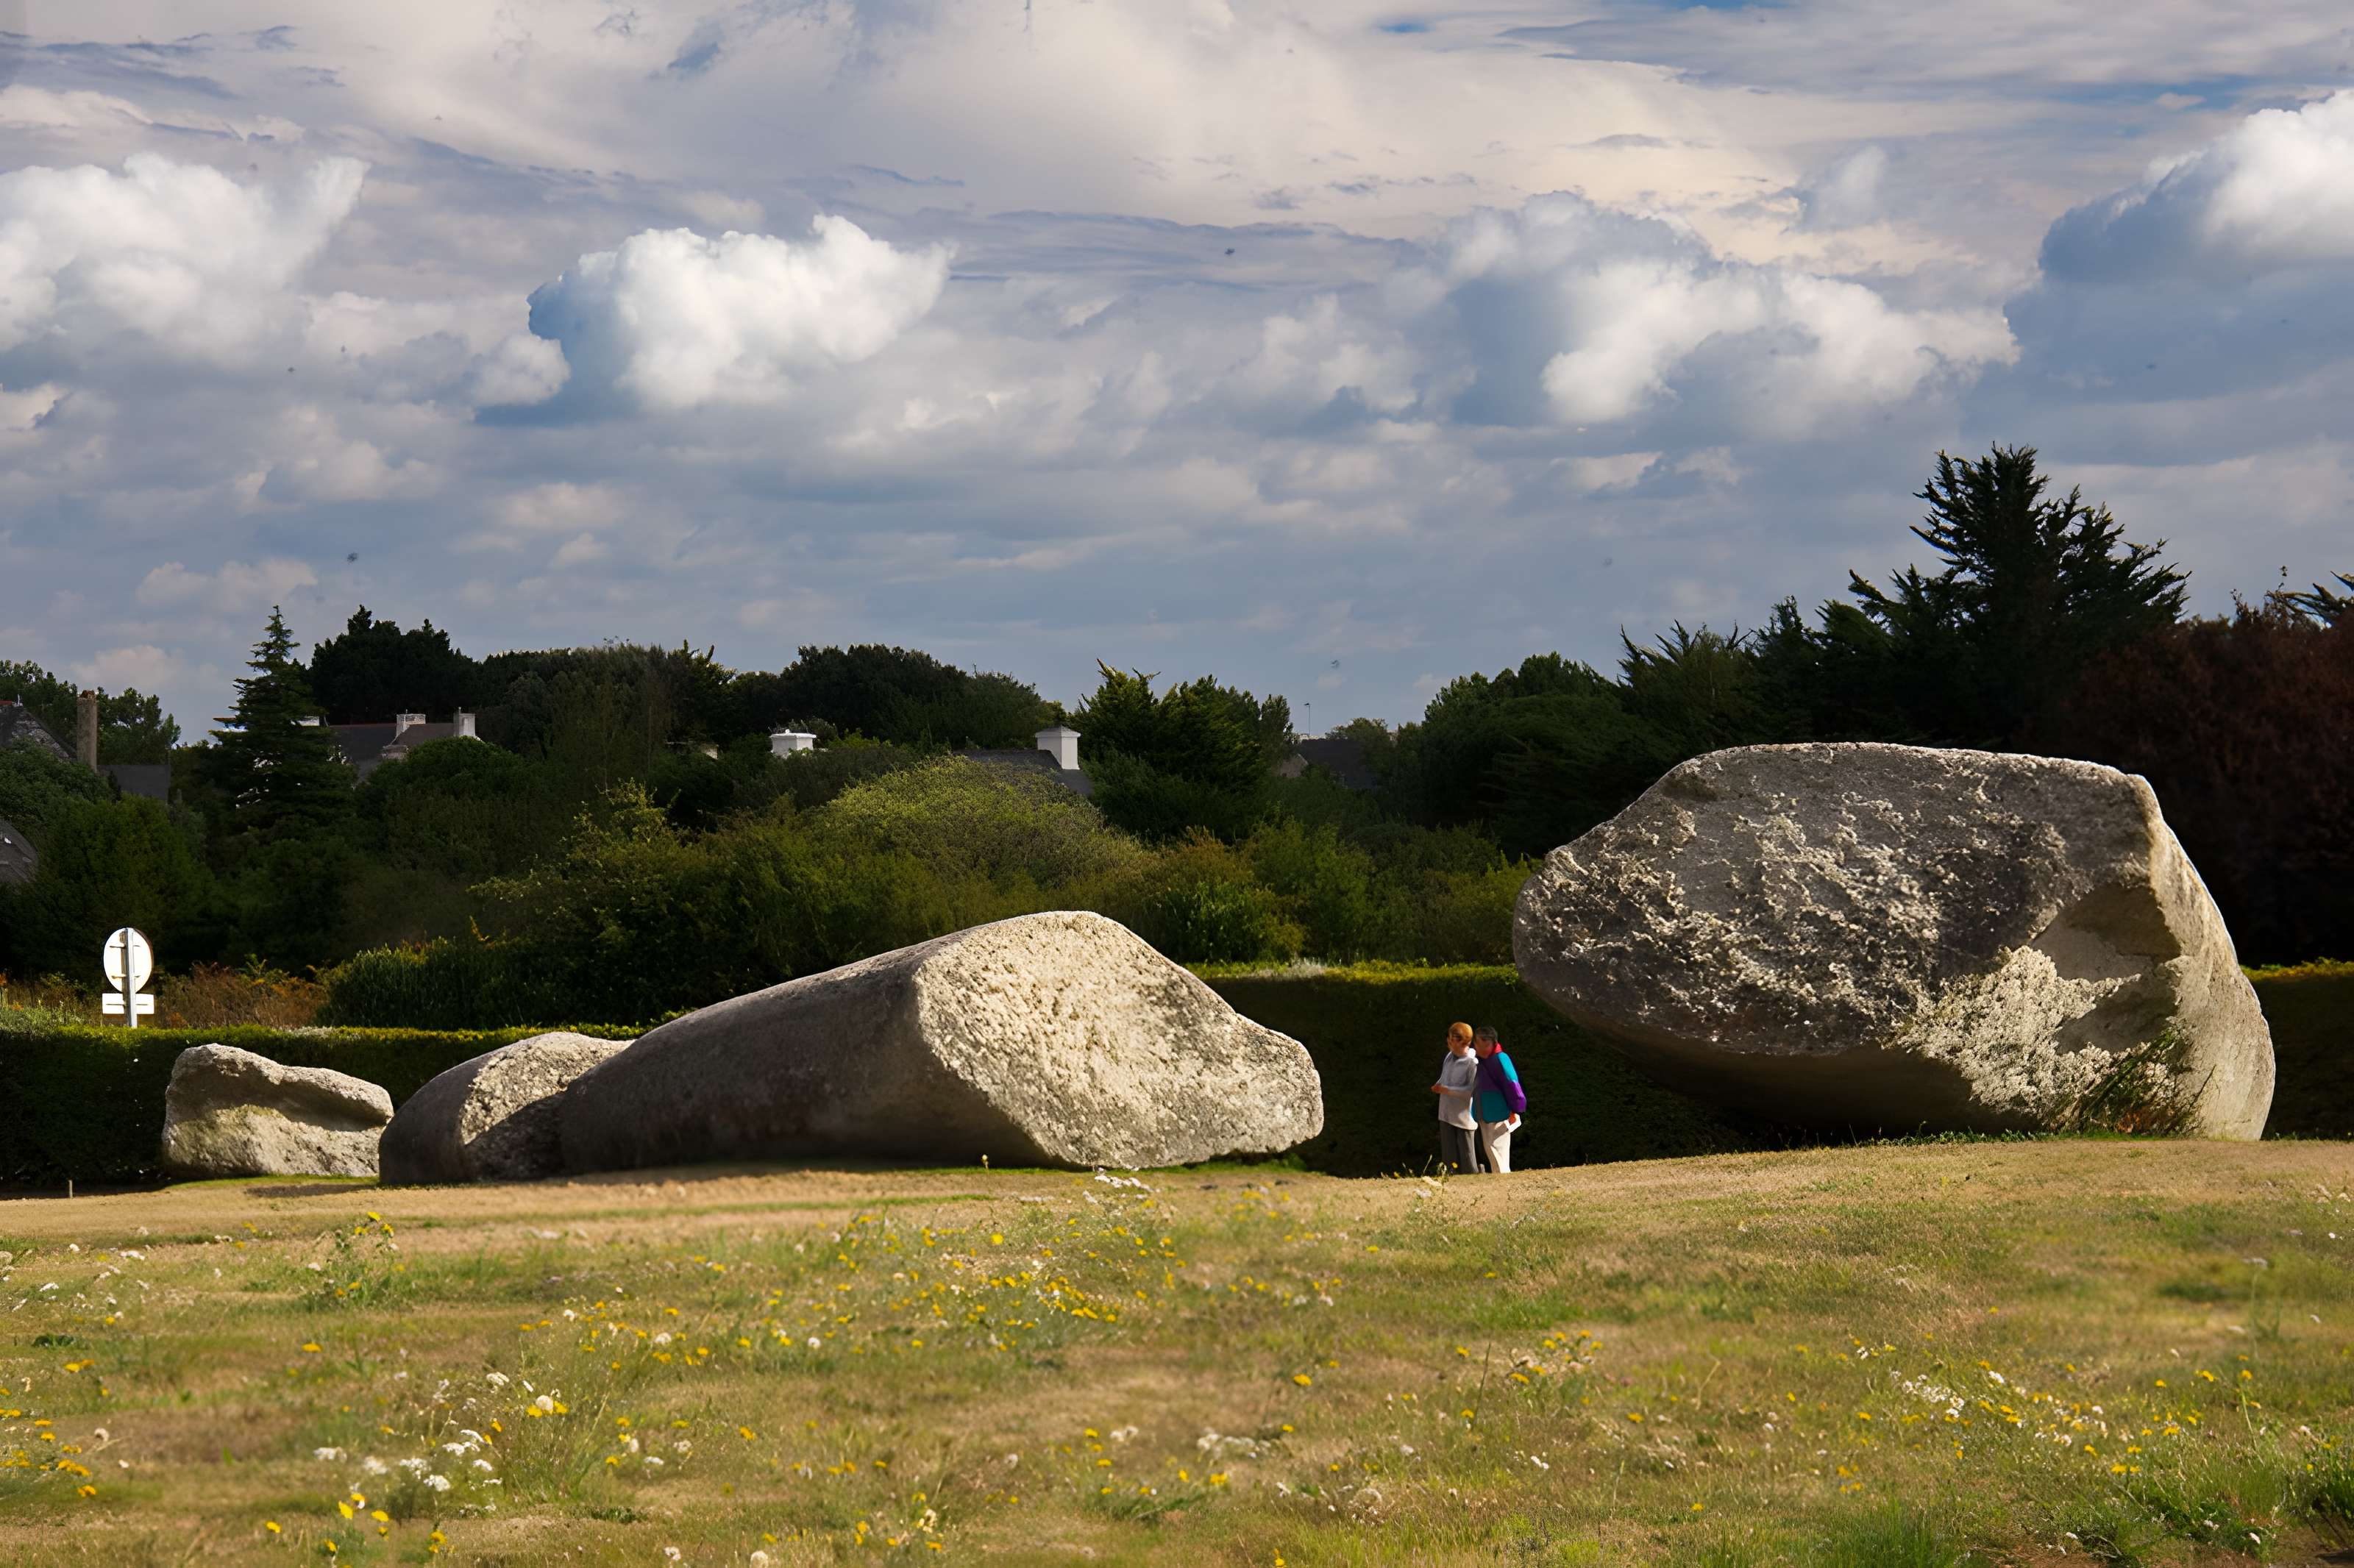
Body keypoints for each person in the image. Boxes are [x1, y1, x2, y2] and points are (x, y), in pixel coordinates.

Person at [1430, 1022, 1482, 1174]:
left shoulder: (1472, 1063)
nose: (1449, 1042)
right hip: (1446, 1113)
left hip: (1463, 1116)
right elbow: (1444, 1077)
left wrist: (1446, 1090)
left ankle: (1473, 1180)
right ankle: (1450, 1181)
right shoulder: (1448, 1057)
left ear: (1463, 1041)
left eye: (1452, 1039)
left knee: (1467, 1155)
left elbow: (1470, 1091)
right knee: (1448, 1155)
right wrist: (1438, 1085)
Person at [1472, 1025, 1524, 1175]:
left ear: (1494, 1043)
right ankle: (1499, 1176)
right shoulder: (1477, 1061)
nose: (1482, 1049)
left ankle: (1502, 1177)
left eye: (1486, 1045)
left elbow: (1512, 1084)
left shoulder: (1501, 1058)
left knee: (1497, 1147)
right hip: (1483, 1109)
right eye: (1478, 1045)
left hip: (1499, 1110)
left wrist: (1515, 1109)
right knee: (1489, 1146)